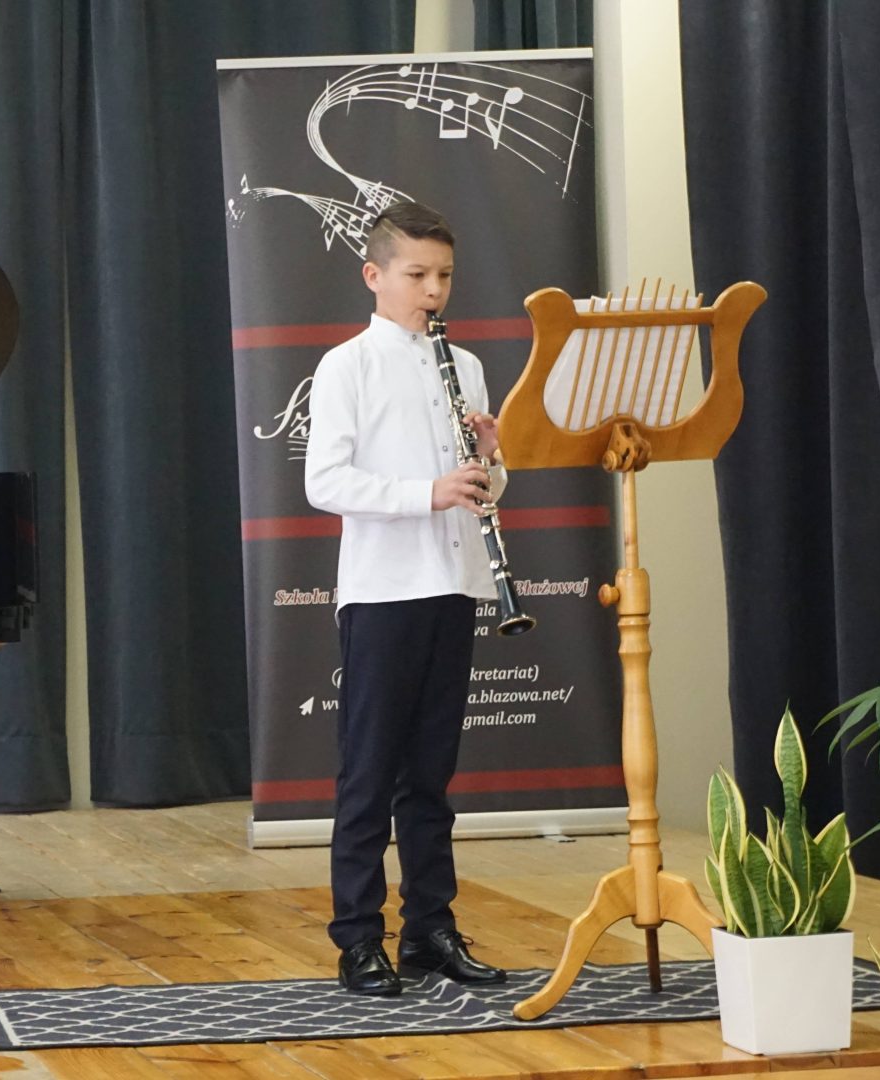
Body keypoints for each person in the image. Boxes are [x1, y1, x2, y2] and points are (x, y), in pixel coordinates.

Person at [303, 202, 510, 996]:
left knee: (431, 775)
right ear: (374, 275)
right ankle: (358, 939)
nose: (434, 291)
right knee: (368, 774)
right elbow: (325, 482)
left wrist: (490, 460)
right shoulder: (347, 366)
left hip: (454, 584)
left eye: (444, 276)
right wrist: (427, 491)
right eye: (417, 274)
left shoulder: (468, 367)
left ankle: (430, 929)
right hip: (384, 592)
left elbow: (484, 489)